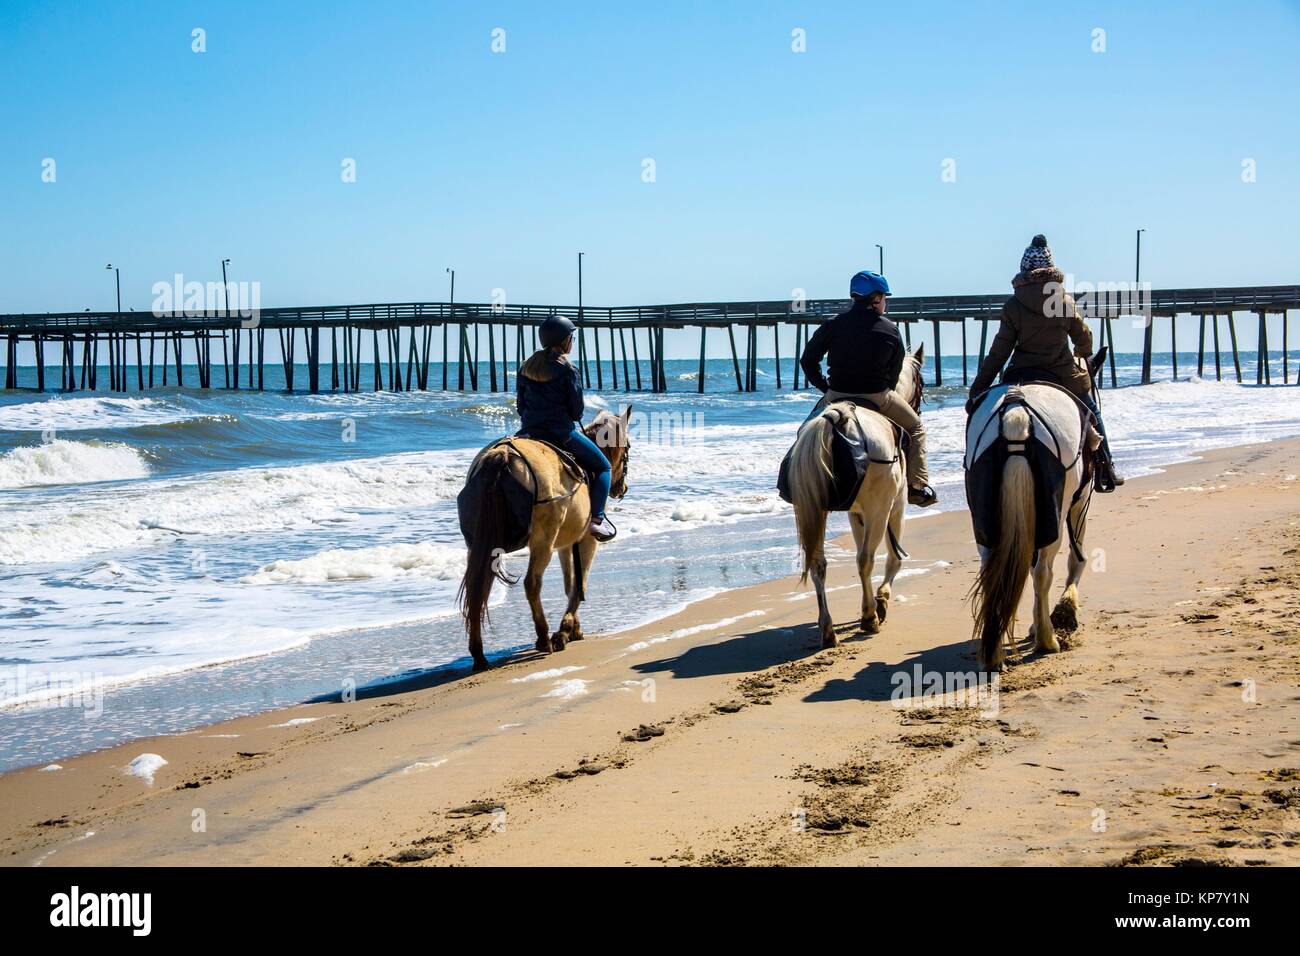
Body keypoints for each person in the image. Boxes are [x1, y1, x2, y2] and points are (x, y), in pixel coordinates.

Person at [967, 234, 1123, 491]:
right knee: (1092, 411)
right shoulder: (1063, 301)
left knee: (988, 417)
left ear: (1023, 269)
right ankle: (1106, 467)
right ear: (1051, 269)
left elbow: (999, 353)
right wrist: (1081, 350)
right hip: (1062, 374)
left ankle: (979, 470)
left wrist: (978, 388)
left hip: (1021, 375)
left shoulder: (1014, 305)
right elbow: (1084, 338)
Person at [800, 270, 937, 507]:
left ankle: (797, 481)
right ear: (875, 299)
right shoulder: (889, 329)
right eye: (884, 297)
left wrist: (826, 388)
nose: (885, 302)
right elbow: (893, 376)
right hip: (877, 396)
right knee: (915, 428)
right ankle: (916, 486)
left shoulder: (834, 324)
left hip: (837, 395)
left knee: (805, 431)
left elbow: (808, 360)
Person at [516, 315, 617, 540]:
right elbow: (576, 412)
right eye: (571, 337)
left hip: (528, 433)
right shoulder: (569, 369)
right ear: (565, 341)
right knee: (603, 467)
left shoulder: (526, 367)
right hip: (561, 434)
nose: (572, 341)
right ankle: (597, 520)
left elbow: (520, 407)